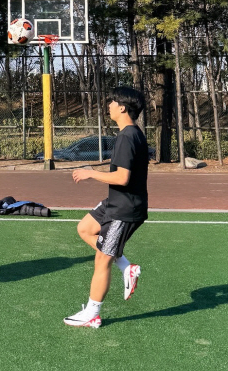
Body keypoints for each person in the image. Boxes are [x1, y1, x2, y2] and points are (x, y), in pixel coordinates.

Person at [64, 86, 148, 328]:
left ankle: (92, 313)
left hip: (124, 209)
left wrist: (91, 173)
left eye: (112, 102)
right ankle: (126, 266)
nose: (109, 105)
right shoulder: (133, 133)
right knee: (85, 228)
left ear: (122, 107)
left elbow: (122, 177)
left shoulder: (126, 136)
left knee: (102, 259)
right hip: (116, 203)